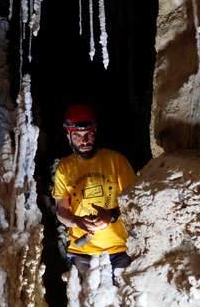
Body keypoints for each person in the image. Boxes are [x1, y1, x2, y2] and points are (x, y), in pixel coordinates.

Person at [52, 104, 136, 285]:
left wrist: (111, 215)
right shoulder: (65, 169)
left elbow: (134, 203)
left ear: (95, 132)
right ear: (69, 136)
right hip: (82, 252)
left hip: (119, 249)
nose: (84, 141)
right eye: (78, 136)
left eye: (88, 134)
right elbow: (61, 210)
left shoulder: (116, 161)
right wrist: (77, 221)